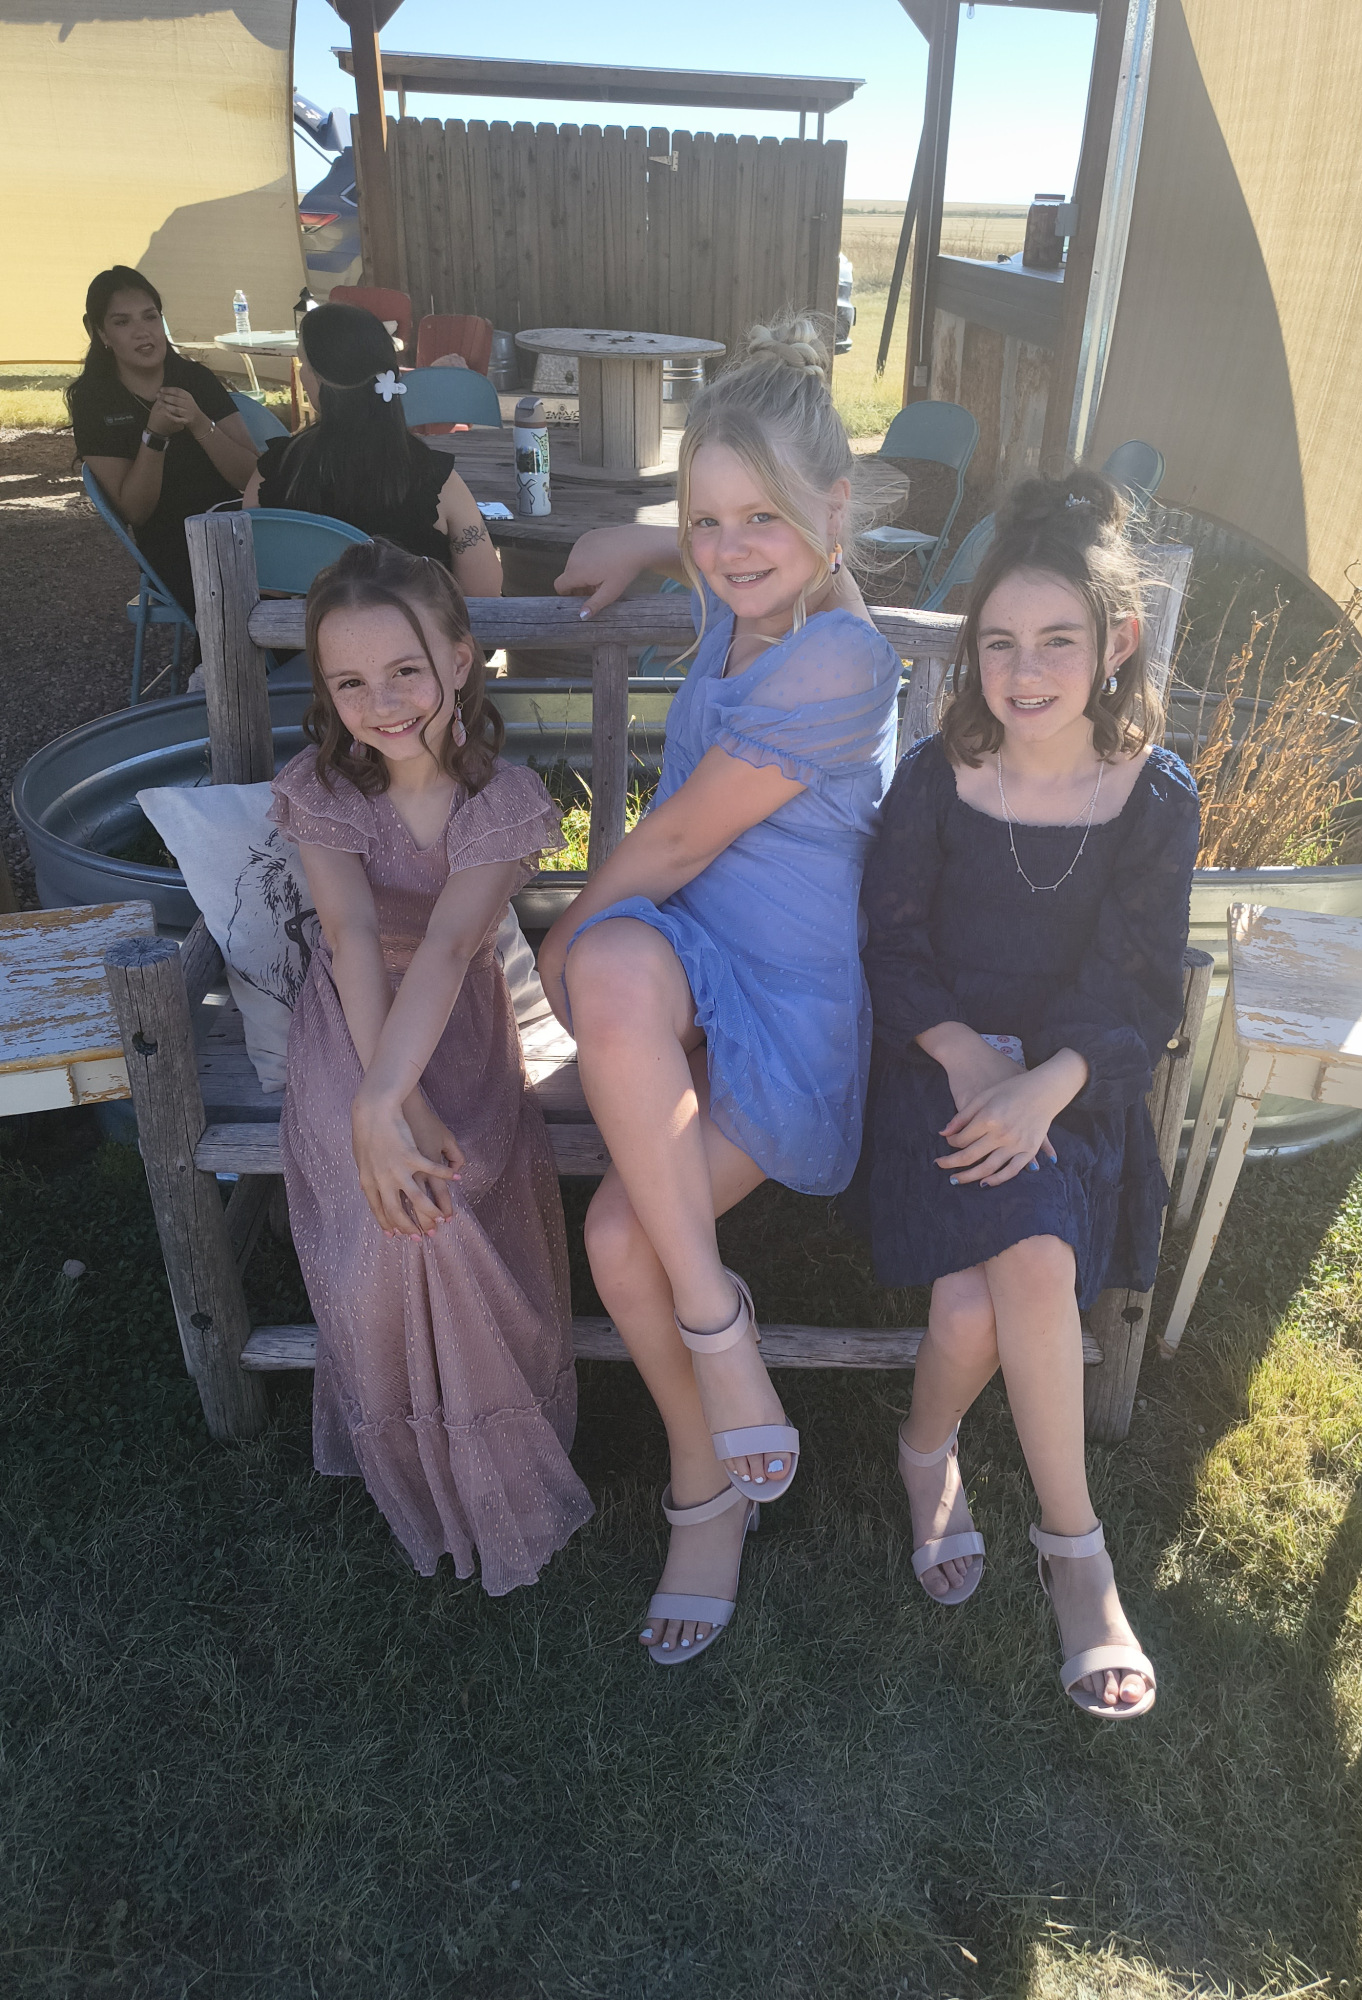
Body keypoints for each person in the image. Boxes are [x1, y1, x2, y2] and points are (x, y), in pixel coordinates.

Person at [537, 317, 901, 1667]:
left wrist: (568, 926)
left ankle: (706, 1458)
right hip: (694, 973)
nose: (733, 549)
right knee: (617, 961)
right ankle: (714, 1418)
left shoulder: (841, 659)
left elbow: (682, 837)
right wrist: (648, 537)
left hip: (790, 1014)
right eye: (709, 521)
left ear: (836, 512)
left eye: (764, 518)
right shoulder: (750, 607)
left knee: (621, 1240)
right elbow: (727, 552)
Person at [850, 472, 1199, 1720]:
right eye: (999, 642)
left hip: (1073, 1079)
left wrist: (1046, 1085)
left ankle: (967, 1477)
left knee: (983, 1295)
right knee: (998, 1285)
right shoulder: (938, 779)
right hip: (936, 1070)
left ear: (1118, 641)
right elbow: (892, 944)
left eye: (1057, 640)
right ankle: (1067, 1545)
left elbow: (1140, 985)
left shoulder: (1152, 795)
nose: (1026, 670)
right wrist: (965, 1056)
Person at [270, 538, 592, 1593]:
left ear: (460, 659)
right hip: (351, 1024)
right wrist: (378, 1103)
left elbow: (452, 949)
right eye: (350, 683)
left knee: (442, 1197)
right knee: (394, 1210)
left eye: (405, 670)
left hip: (455, 1027)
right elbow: (354, 935)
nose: (382, 703)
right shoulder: (325, 789)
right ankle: (415, 1458)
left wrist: (393, 1103)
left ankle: (492, 1453)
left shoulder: (500, 801)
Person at [245, 304, 505, 597]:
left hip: (301, 627)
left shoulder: (275, 470)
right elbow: (485, 591)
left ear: (321, 379)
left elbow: (257, 578)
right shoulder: (435, 479)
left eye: (304, 363)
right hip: (413, 627)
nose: (302, 374)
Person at [67, 265, 259, 616]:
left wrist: (200, 423)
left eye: (150, 316)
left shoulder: (195, 378)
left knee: (314, 582)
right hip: (175, 546)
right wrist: (155, 437)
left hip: (238, 524)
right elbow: (136, 512)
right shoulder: (95, 401)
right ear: (101, 333)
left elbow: (251, 477)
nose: (143, 332)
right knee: (254, 607)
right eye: (122, 322)